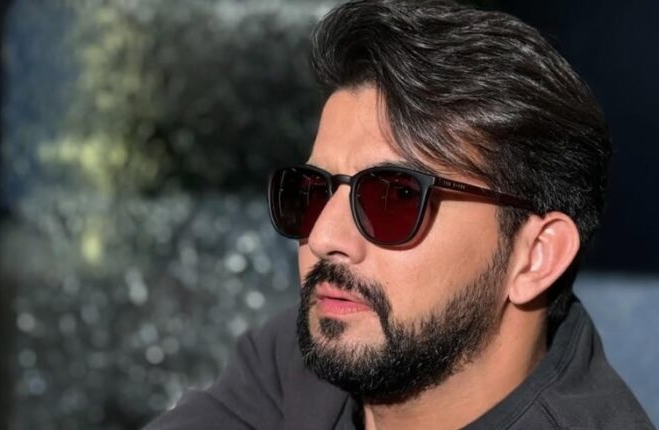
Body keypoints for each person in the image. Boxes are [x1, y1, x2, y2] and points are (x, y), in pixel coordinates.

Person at [146, 0, 654, 428]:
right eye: (312, 192)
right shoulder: (307, 355)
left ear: (535, 257)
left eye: (393, 198)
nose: (323, 236)